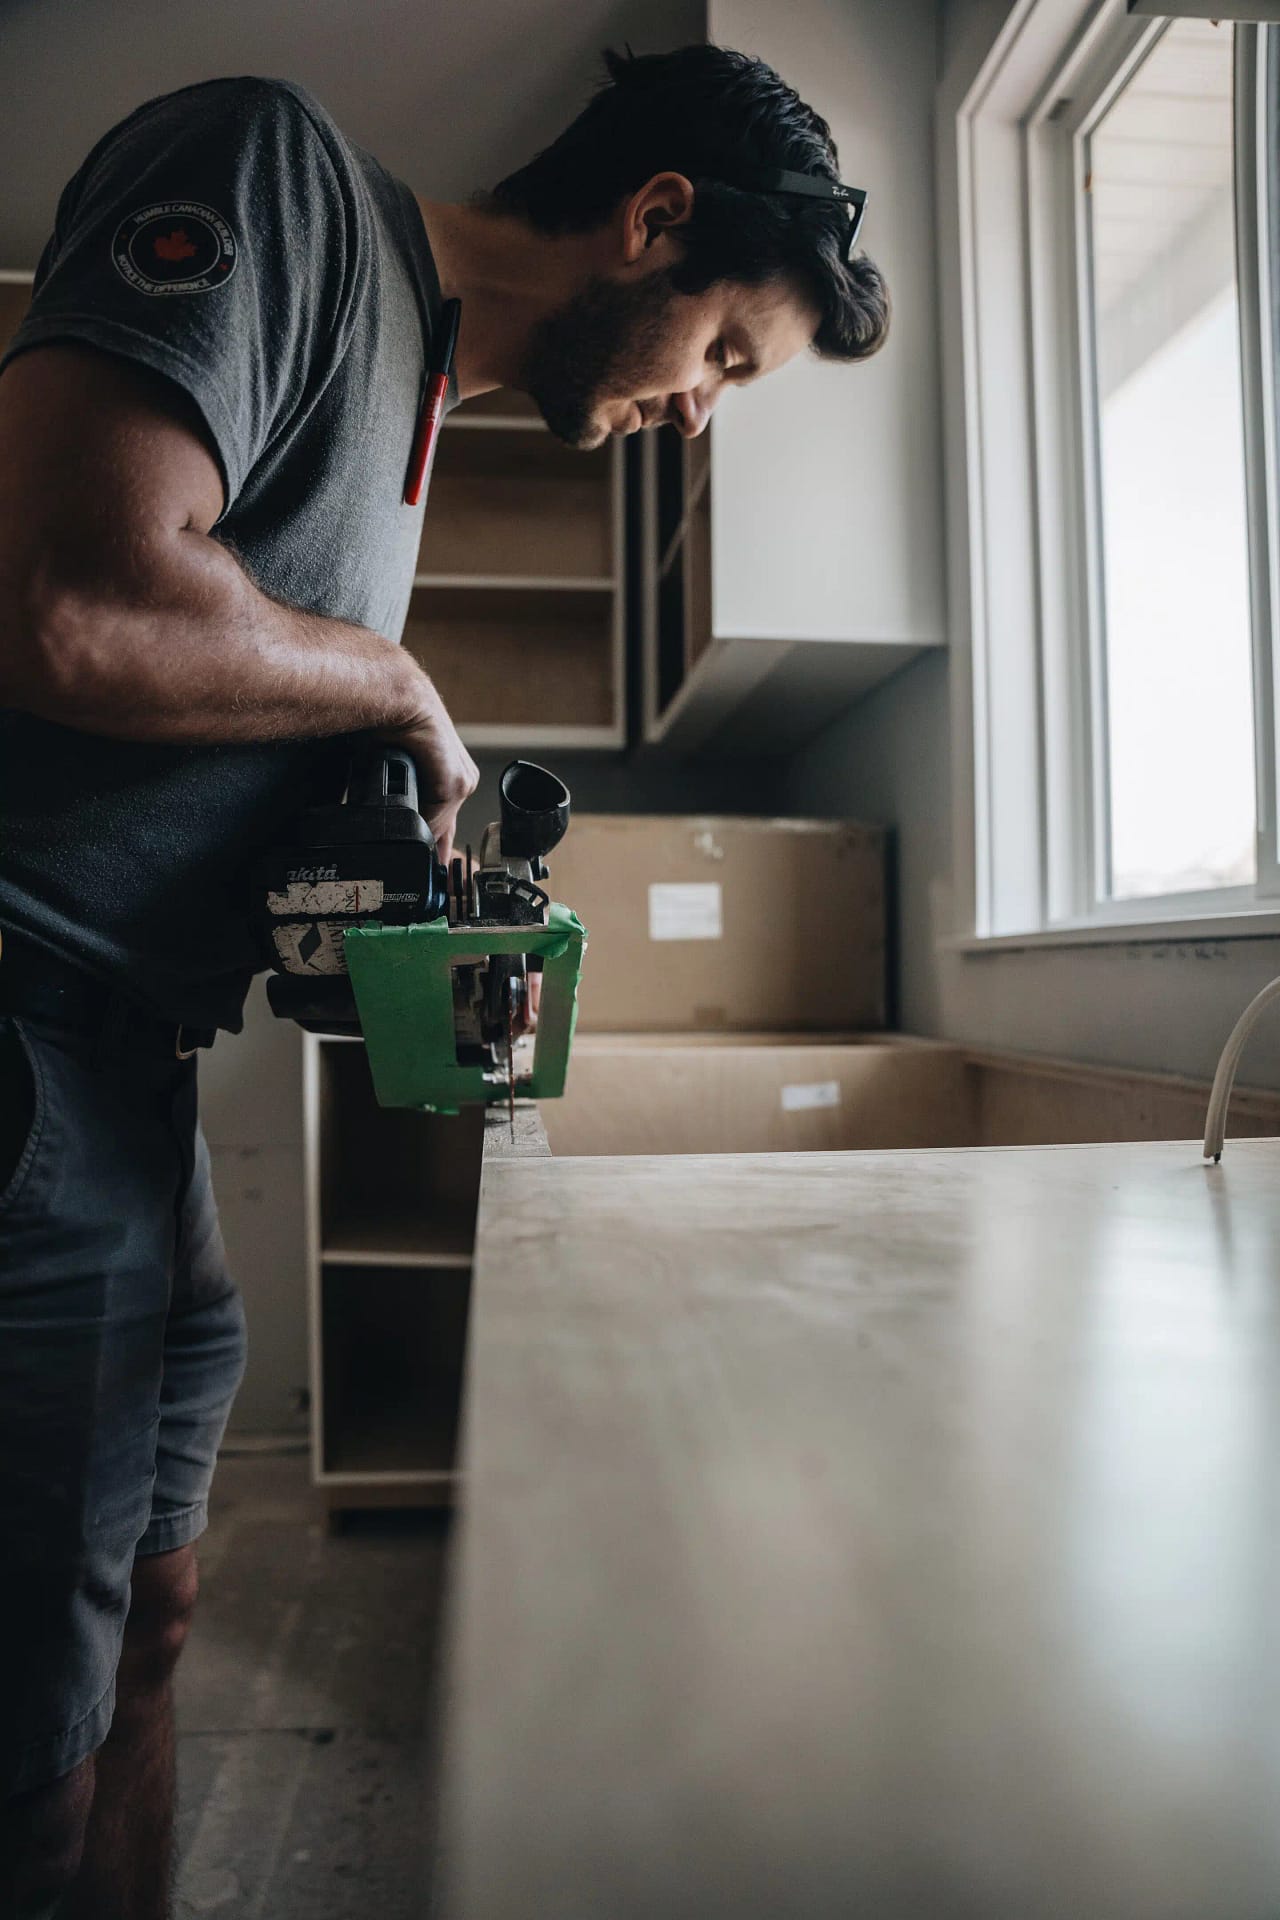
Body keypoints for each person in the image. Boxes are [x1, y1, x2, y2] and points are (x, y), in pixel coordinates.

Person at [0, 41, 888, 1918]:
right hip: (24, 1032)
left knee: (154, 1614)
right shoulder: (280, 184)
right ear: (653, 220)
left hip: (130, 1067)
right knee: (32, 1729)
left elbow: (213, 716)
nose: (701, 413)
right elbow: (69, 602)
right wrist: (395, 687)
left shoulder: (413, 402)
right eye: (724, 354)